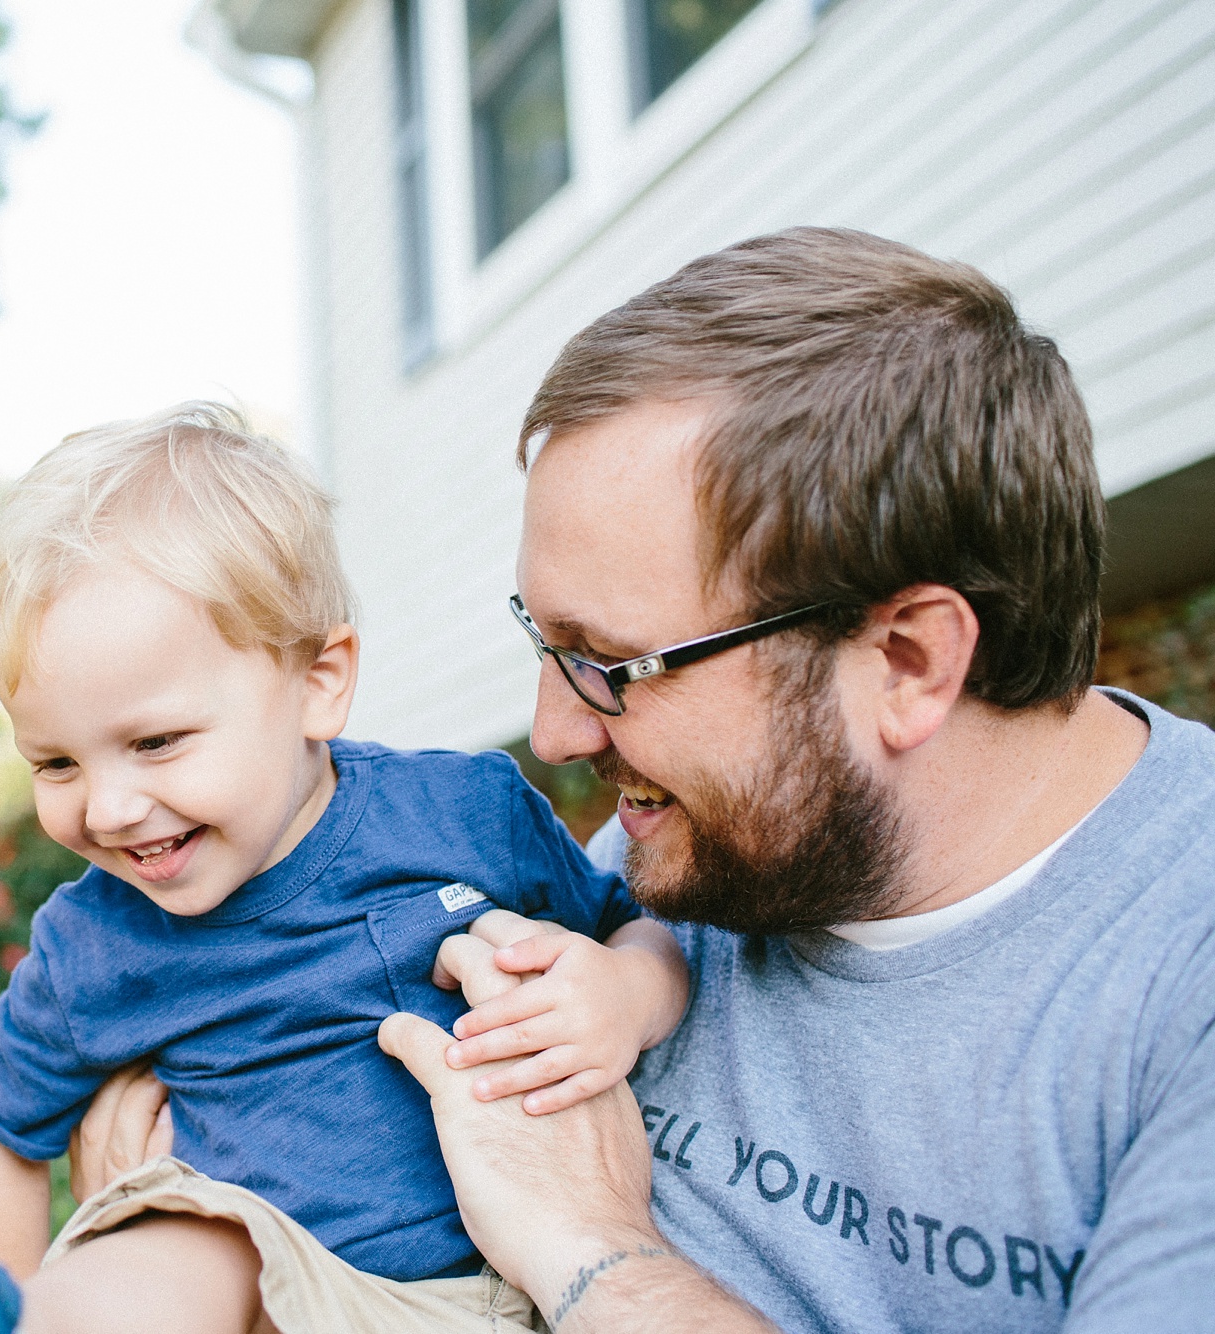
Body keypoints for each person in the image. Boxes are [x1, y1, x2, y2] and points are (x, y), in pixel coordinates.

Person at [0, 404, 689, 1334]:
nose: (103, 807)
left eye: (153, 744)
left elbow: (636, 925)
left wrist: (625, 992)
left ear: (318, 682)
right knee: (191, 1227)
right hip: (263, 1286)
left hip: (506, 1289)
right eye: (53, 760)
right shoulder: (95, 941)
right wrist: (14, 1266)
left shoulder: (465, 810)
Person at [336, 227, 1215, 1331]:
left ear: (907, 660)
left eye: (608, 665)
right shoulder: (675, 864)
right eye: (541, 641)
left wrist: (595, 1253)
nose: (554, 730)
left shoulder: (1180, 977)